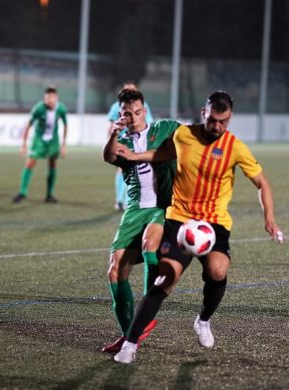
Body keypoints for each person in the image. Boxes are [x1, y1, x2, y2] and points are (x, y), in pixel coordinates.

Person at [113, 91, 284, 364]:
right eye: (213, 119)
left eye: (224, 121)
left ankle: (203, 320)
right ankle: (130, 344)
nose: (217, 126)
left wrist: (269, 219)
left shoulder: (235, 147)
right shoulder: (183, 136)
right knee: (165, 278)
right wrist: (134, 157)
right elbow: (162, 154)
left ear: (229, 119)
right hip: (180, 219)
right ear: (203, 112)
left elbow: (262, 183)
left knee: (218, 270)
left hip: (214, 223)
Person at [102, 88, 180, 353]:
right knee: (114, 271)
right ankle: (129, 336)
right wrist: (113, 133)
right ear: (121, 115)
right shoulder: (122, 140)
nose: (133, 117)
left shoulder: (165, 128)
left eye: (137, 112)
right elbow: (109, 157)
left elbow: (192, 137)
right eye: (127, 113)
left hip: (162, 207)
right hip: (135, 209)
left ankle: (147, 311)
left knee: (150, 244)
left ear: (144, 111)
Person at [12, 86, 67, 204]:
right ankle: (22, 193)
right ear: (44, 98)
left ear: (56, 98)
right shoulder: (38, 108)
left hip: (53, 141)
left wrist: (63, 145)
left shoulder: (61, 109)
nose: (49, 100)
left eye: (52, 97)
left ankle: (49, 195)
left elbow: (66, 125)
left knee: (52, 164)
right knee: (30, 163)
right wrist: (24, 144)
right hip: (38, 141)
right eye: (47, 98)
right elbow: (28, 125)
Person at [107, 81, 154, 211]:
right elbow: (111, 125)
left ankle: (129, 201)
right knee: (122, 169)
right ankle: (120, 200)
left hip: (140, 142)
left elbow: (149, 122)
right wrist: (111, 140)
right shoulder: (116, 106)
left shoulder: (143, 106)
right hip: (123, 142)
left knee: (135, 170)